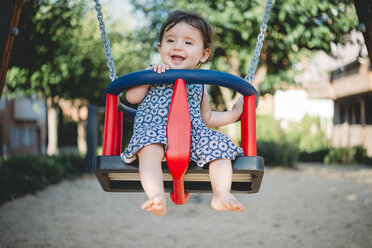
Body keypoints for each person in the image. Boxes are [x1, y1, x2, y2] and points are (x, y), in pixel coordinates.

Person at [121, 10, 245, 216]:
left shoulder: (199, 84)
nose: (178, 46)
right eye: (171, 40)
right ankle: (156, 196)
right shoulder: (154, 73)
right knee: (149, 150)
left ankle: (221, 194)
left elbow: (207, 118)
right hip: (153, 132)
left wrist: (232, 114)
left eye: (188, 43)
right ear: (161, 48)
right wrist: (149, 75)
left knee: (220, 147)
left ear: (204, 54)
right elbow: (132, 98)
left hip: (192, 138)